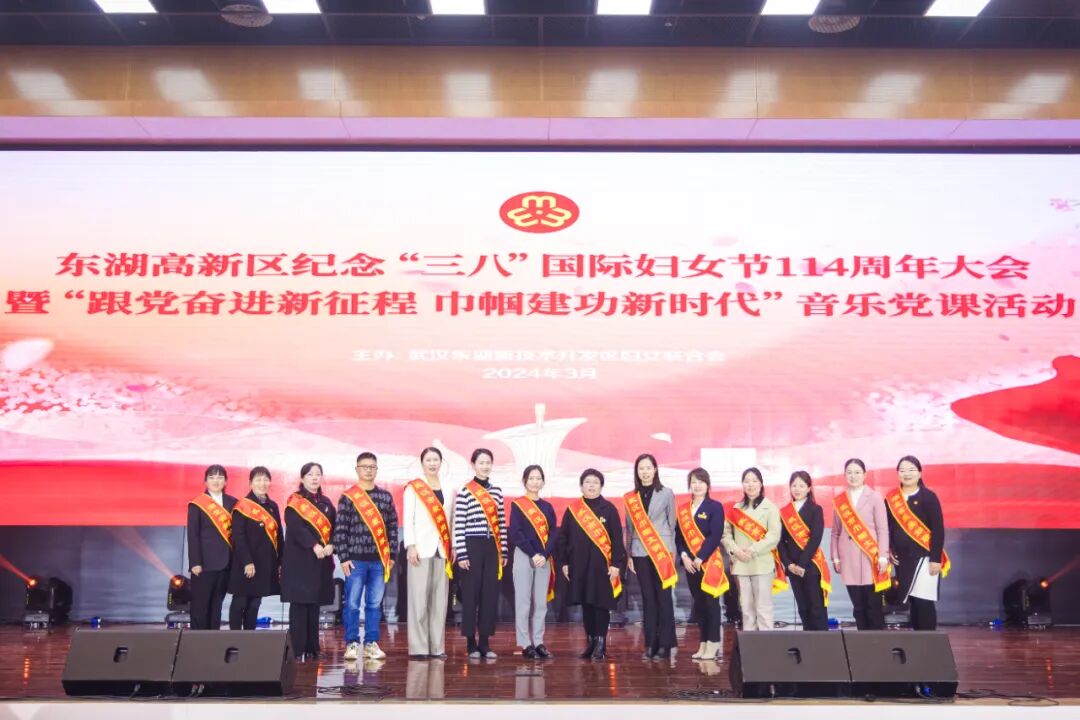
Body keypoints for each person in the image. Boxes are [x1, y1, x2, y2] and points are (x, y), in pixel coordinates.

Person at [556, 468, 626, 661]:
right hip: (579, 566)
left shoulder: (609, 509)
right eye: (588, 482)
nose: (591, 485)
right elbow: (563, 538)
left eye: (595, 482)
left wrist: (616, 564)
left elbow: (617, 539)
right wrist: (564, 562)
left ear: (601, 486)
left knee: (600, 604)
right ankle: (591, 642)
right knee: (586, 604)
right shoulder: (573, 510)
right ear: (581, 486)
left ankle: (601, 644)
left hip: (602, 567)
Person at [335, 452, 399, 661]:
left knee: (374, 604)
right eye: (365, 467)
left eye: (372, 467)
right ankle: (352, 643)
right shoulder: (348, 497)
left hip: (379, 560)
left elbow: (392, 527)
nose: (369, 470)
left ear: (376, 469)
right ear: (357, 469)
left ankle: (371, 643)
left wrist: (392, 555)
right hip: (355, 561)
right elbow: (340, 529)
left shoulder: (385, 497)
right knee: (352, 604)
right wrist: (343, 557)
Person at [452, 448, 507, 659]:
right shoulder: (465, 491)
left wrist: (503, 552)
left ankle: (485, 642)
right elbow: (459, 524)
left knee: (489, 595)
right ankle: (470, 643)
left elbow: (501, 523)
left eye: (488, 462)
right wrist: (462, 554)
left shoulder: (497, 492)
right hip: (471, 546)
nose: (485, 466)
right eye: (481, 462)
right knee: (470, 595)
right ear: (473, 465)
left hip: (492, 547)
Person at [624, 453, 678, 660]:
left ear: (655, 469)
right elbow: (629, 529)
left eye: (648, 467)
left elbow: (672, 524)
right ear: (637, 472)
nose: (645, 472)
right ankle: (650, 644)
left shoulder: (666, 493)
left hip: (661, 551)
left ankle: (665, 644)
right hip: (639, 552)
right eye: (641, 468)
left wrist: (670, 550)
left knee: (664, 597)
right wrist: (629, 554)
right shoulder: (630, 497)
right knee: (648, 598)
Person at [886, 455, 949, 631]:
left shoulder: (928, 497)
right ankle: (917, 639)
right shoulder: (891, 499)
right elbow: (888, 527)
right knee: (912, 600)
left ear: (920, 473)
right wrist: (889, 549)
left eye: (911, 470)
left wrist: (935, 558)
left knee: (924, 600)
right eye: (902, 470)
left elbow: (938, 529)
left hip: (925, 558)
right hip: (902, 559)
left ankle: (928, 639)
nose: (907, 474)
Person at [281, 462, 336, 661]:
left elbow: (334, 528)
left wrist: (331, 544)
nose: (314, 478)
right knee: (299, 605)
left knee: (314, 604)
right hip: (299, 560)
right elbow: (296, 528)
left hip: (320, 561)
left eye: (318, 474)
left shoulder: (327, 503)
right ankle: (296, 649)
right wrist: (314, 545)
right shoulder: (295, 502)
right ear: (302, 478)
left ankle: (313, 647)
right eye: (310, 474)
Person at [403, 447, 453, 659]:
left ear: (441, 462)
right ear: (422, 462)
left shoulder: (449, 486)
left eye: (436, 459)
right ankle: (419, 647)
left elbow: (451, 519)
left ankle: (437, 647)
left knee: (439, 601)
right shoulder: (414, 487)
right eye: (429, 460)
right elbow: (408, 519)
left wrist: (453, 547)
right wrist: (411, 545)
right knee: (419, 600)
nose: (433, 463)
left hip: (442, 549)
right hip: (420, 549)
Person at [831, 458, 890, 631]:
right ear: (844, 475)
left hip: (870, 557)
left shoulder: (874, 497)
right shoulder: (840, 500)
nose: (853, 476)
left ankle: (877, 642)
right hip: (848, 559)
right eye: (849, 472)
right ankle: (862, 642)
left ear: (864, 475)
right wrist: (835, 557)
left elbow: (882, 530)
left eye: (857, 472)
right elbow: (835, 532)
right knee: (858, 607)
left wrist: (883, 556)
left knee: (873, 606)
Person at [675, 467, 728, 660]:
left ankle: (713, 643)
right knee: (699, 605)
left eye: (701, 482)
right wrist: (684, 556)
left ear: (708, 485)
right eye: (694, 482)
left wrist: (700, 557)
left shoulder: (715, 507)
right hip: (690, 565)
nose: (697, 486)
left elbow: (715, 535)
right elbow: (679, 537)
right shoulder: (683, 509)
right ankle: (703, 643)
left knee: (711, 604)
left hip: (709, 563)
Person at [722, 467, 783, 631]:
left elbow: (773, 536)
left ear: (761, 484)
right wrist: (735, 550)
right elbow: (726, 535)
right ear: (742, 484)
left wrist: (752, 550)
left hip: (762, 563)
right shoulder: (736, 509)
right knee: (746, 609)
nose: (750, 485)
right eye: (747, 481)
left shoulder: (770, 507)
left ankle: (765, 644)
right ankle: (749, 643)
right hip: (741, 564)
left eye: (754, 481)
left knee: (763, 608)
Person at [509, 464, 557, 659]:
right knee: (523, 602)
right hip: (524, 555)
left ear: (543, 482)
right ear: (525, 481)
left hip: (544, 559)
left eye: (539, 478)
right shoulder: (518, 505)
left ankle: (538, 641)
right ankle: (525, 643)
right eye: (532, 478)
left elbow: (554, 533)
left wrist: (544, 554)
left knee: (540, 603)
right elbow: (516, 532)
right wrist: (533, 553)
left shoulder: (548, 507)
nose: (535, 482)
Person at [228, 466, 283, 630]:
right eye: (258, 480)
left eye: (265, 480)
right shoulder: (242, 506)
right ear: (250, 483)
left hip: (265, 563)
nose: (262, 483)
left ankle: (250, 636)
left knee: (255, 603)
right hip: (246, 562)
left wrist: (281, 561)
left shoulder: (273, 506)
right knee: (240, 601)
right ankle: (234, 637)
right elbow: (238, 536)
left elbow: (279, 535)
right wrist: (247, 561)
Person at [778, 471, 830, 631]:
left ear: (808, 488)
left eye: (801, 485)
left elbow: (815, 538)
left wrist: (801, 564)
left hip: (811, 565)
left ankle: (822, 641)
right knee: (803, 608)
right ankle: (808, 641)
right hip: (793, 567)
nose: (797, 489)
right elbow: (780, 541)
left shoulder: (816, 509)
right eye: (794, 485)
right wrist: (788, 564)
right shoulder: (784, 512)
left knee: (816, 607)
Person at [187, 464, 237, 630]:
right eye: (212, 477)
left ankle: (213, 639)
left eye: (220, 477)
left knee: (217, 604)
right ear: (205, 482)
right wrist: (195, 562)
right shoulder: (197, 504)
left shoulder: (233, 503)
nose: (216, 481)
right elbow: (193, 535)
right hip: (204, 564)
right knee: (200, 605)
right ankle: (197, 641)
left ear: (226, 481)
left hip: (226, 563)